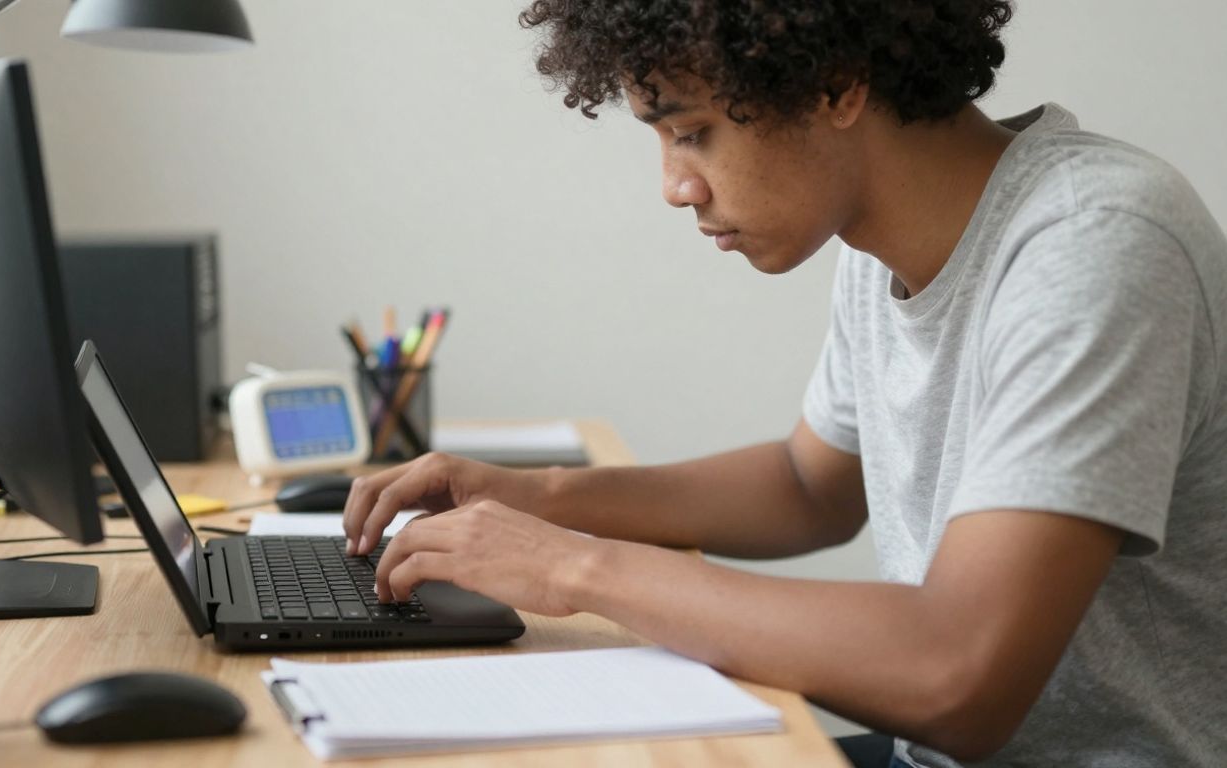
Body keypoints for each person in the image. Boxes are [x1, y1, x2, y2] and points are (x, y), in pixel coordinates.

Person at [342, 2, 1227, 766]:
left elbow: (960, 674)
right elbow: (811, 488)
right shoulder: (878, 244)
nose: (674, 186)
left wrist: (572, 566)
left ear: (838, 84)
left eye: (692, 132)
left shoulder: (1095, 244)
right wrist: (542, 497)